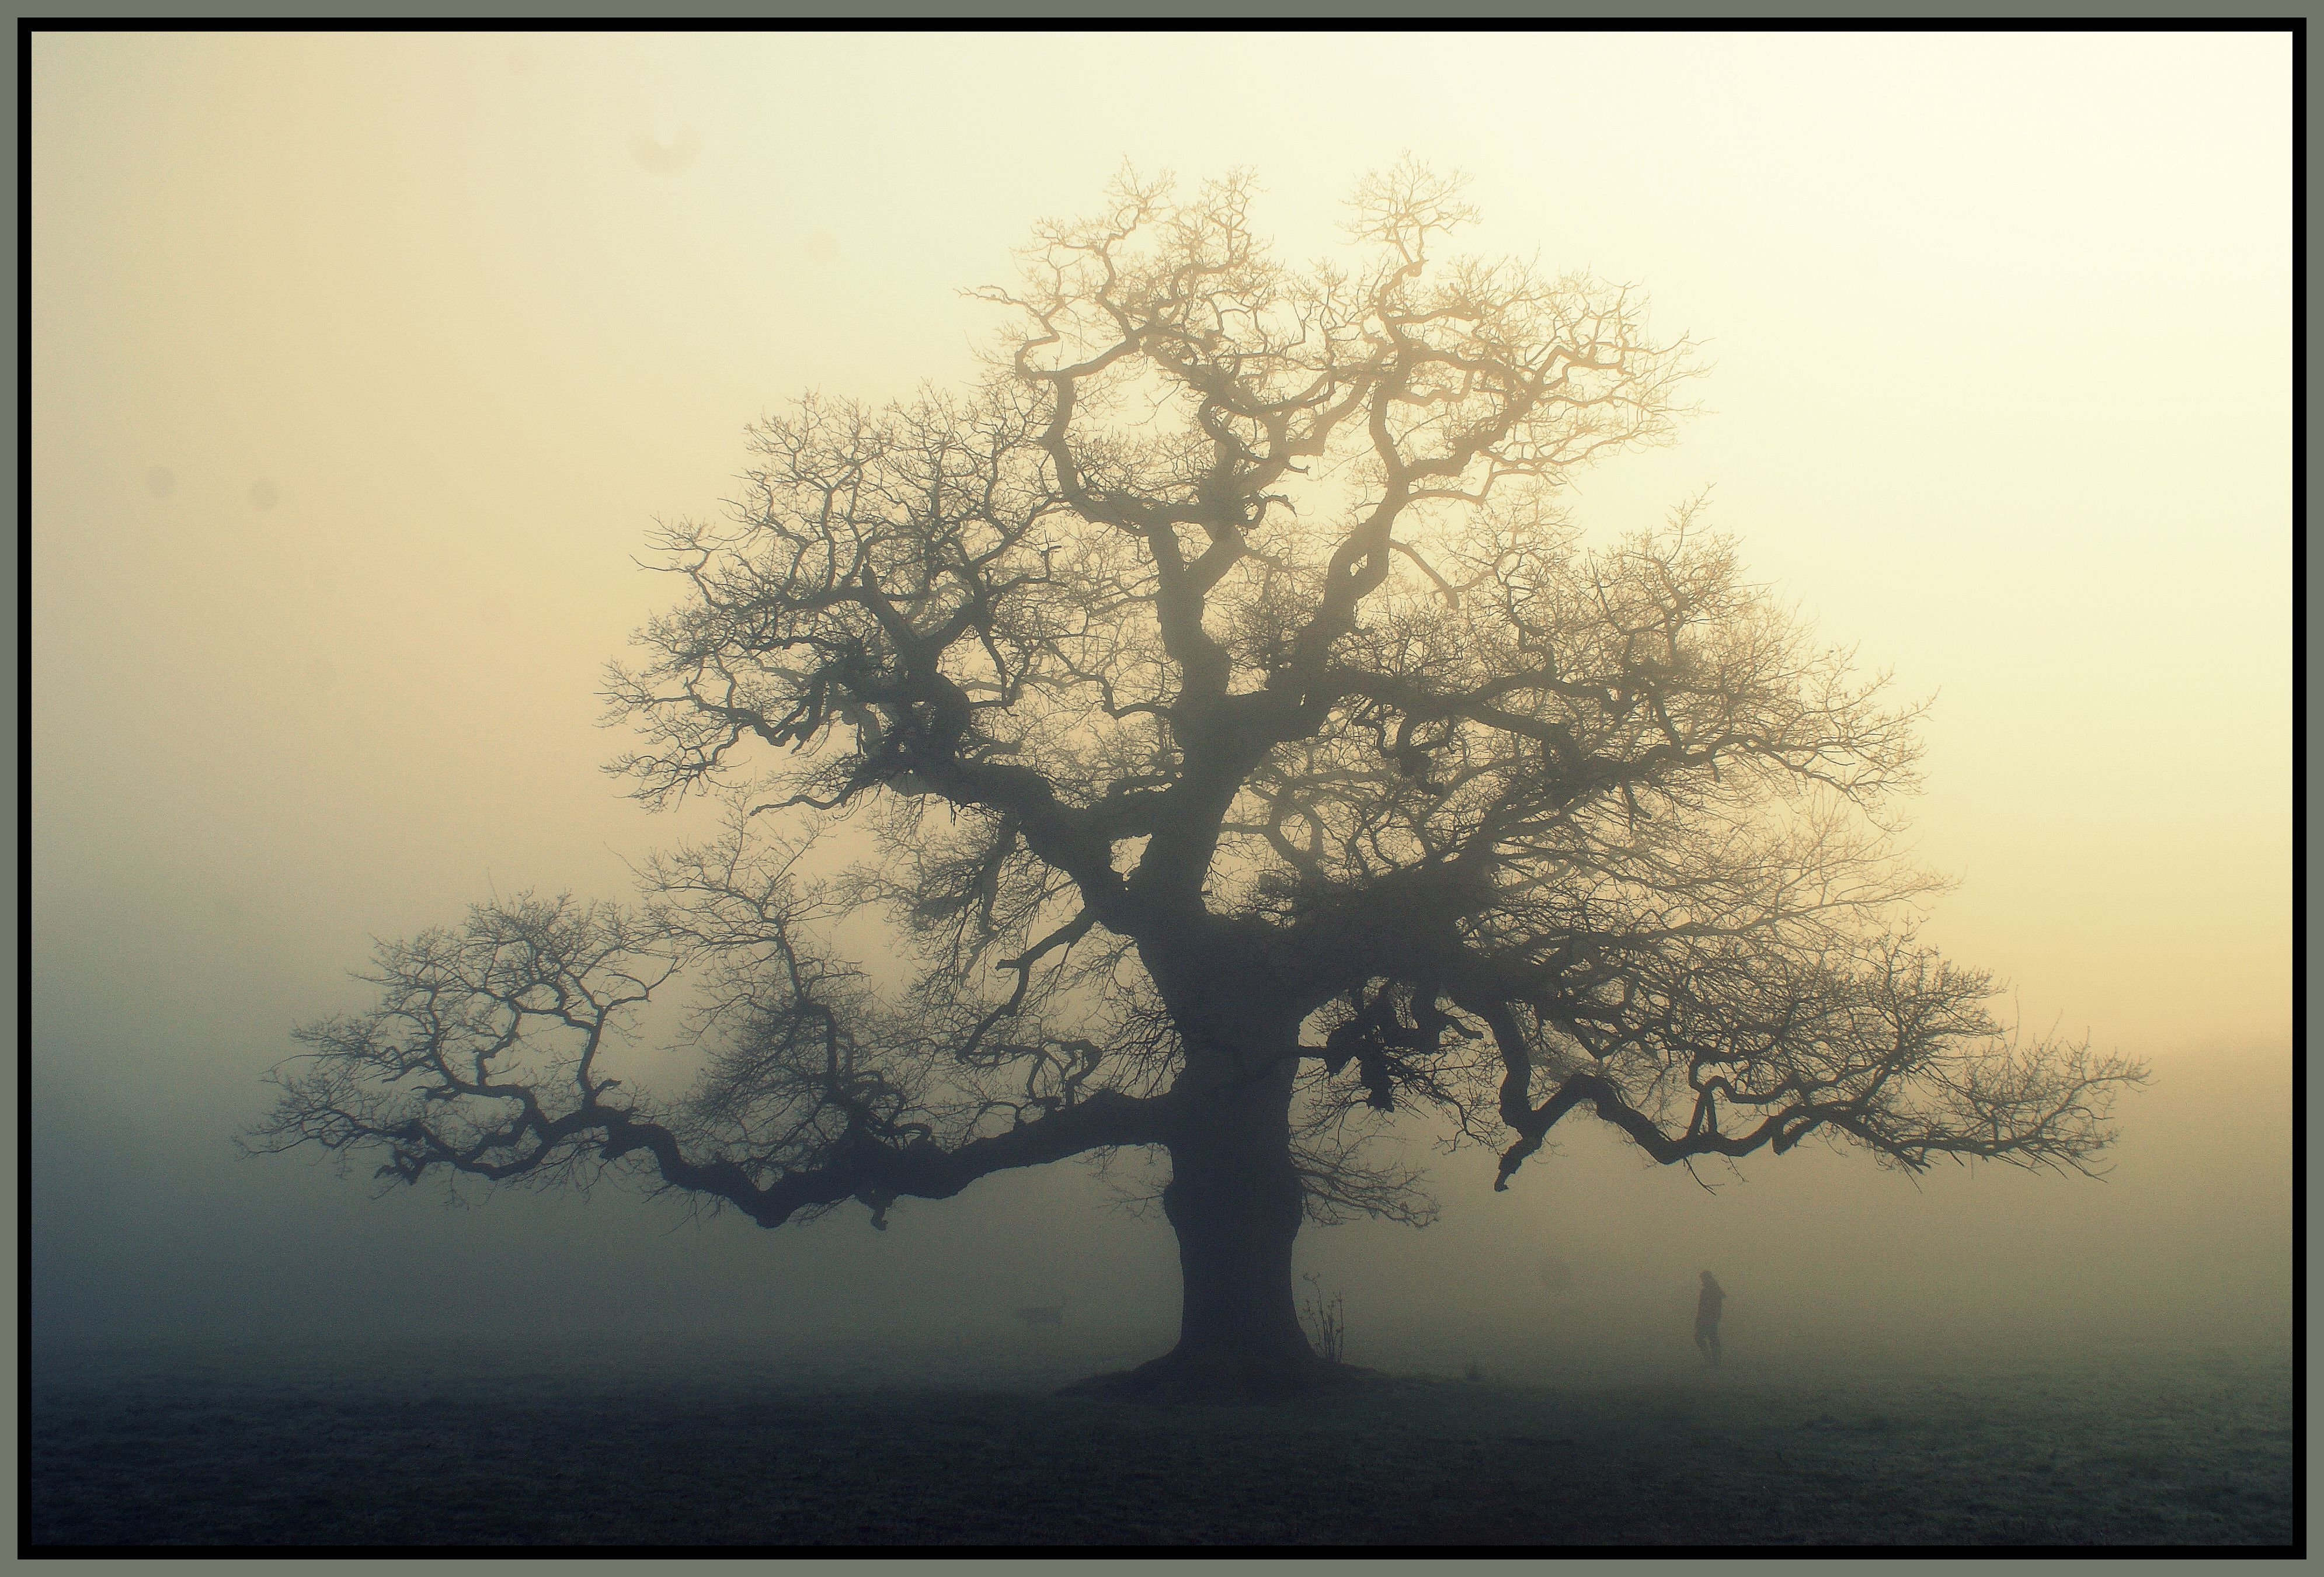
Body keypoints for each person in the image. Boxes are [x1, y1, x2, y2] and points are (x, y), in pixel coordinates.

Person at [1695, 1271, 1725, 1365]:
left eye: (1702, 1278)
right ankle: (1715, 1361)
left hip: (1708, 1318)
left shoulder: (1709, 1289)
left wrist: (1700, 1318)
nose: (1702, 1280)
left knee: (1700, 1337)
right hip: (1712, 1318)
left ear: (1706, 1278)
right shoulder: (1715, 1288)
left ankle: (1711, 1361)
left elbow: (1704, 1306)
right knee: (1713, 1338)